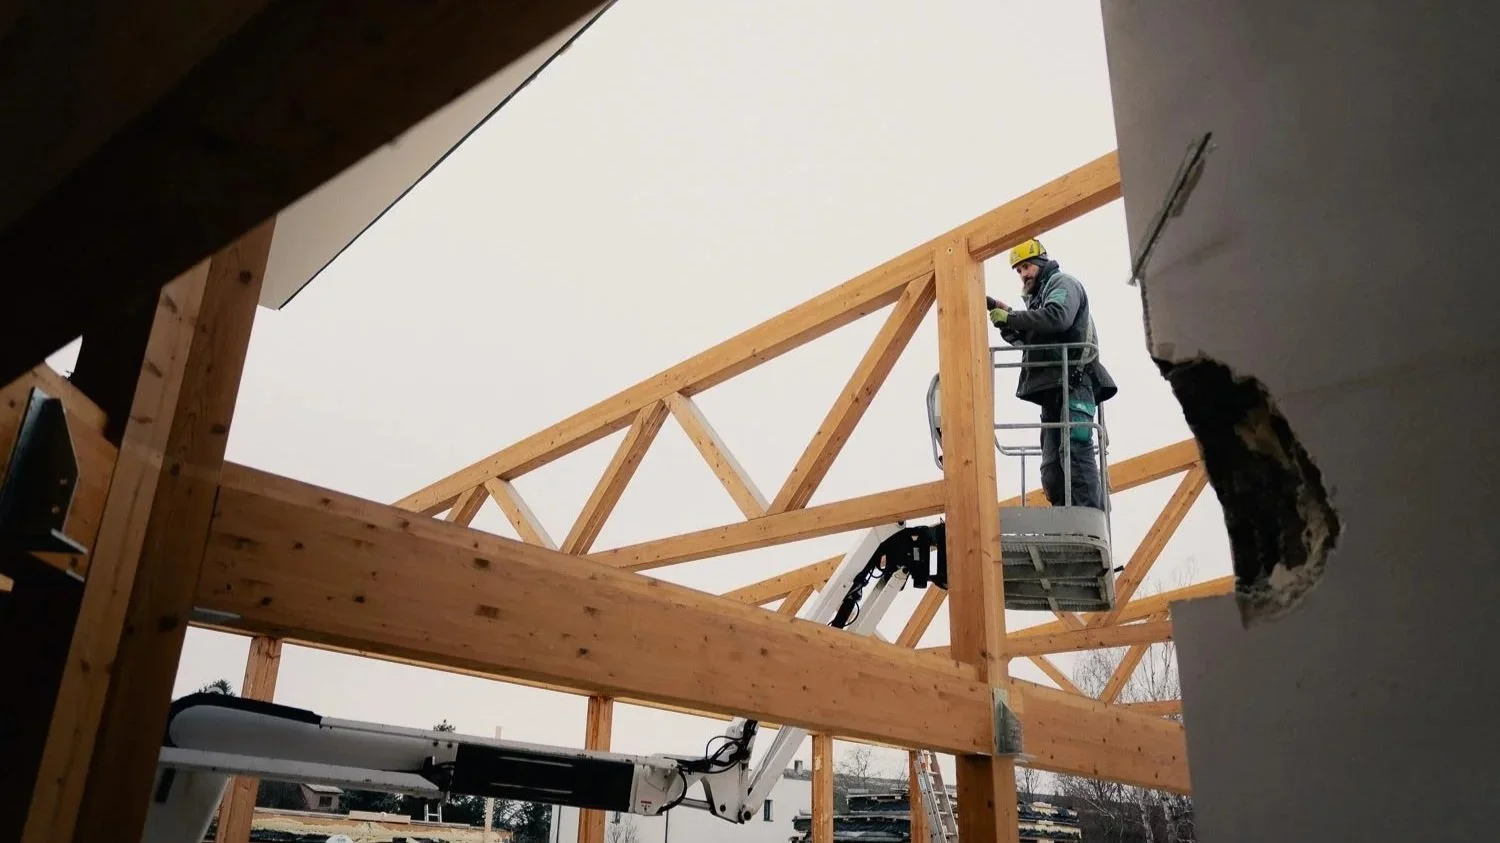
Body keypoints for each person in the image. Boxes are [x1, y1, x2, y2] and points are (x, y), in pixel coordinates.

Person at [986, 238, 1117, 509]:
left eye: (1027, 266)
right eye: (1019, 270)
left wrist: (1012, 318)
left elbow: (1058, 317)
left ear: (1042, 262)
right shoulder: (1038, 301)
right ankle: (1064, 518)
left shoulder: (1062, 284)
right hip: (1054, 391)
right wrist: (1007, 316)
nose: (1023, 274)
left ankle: (1088, 518)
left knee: (1075, 453)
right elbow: (1033, 340)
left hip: (1075, 385)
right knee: (1051, 468)